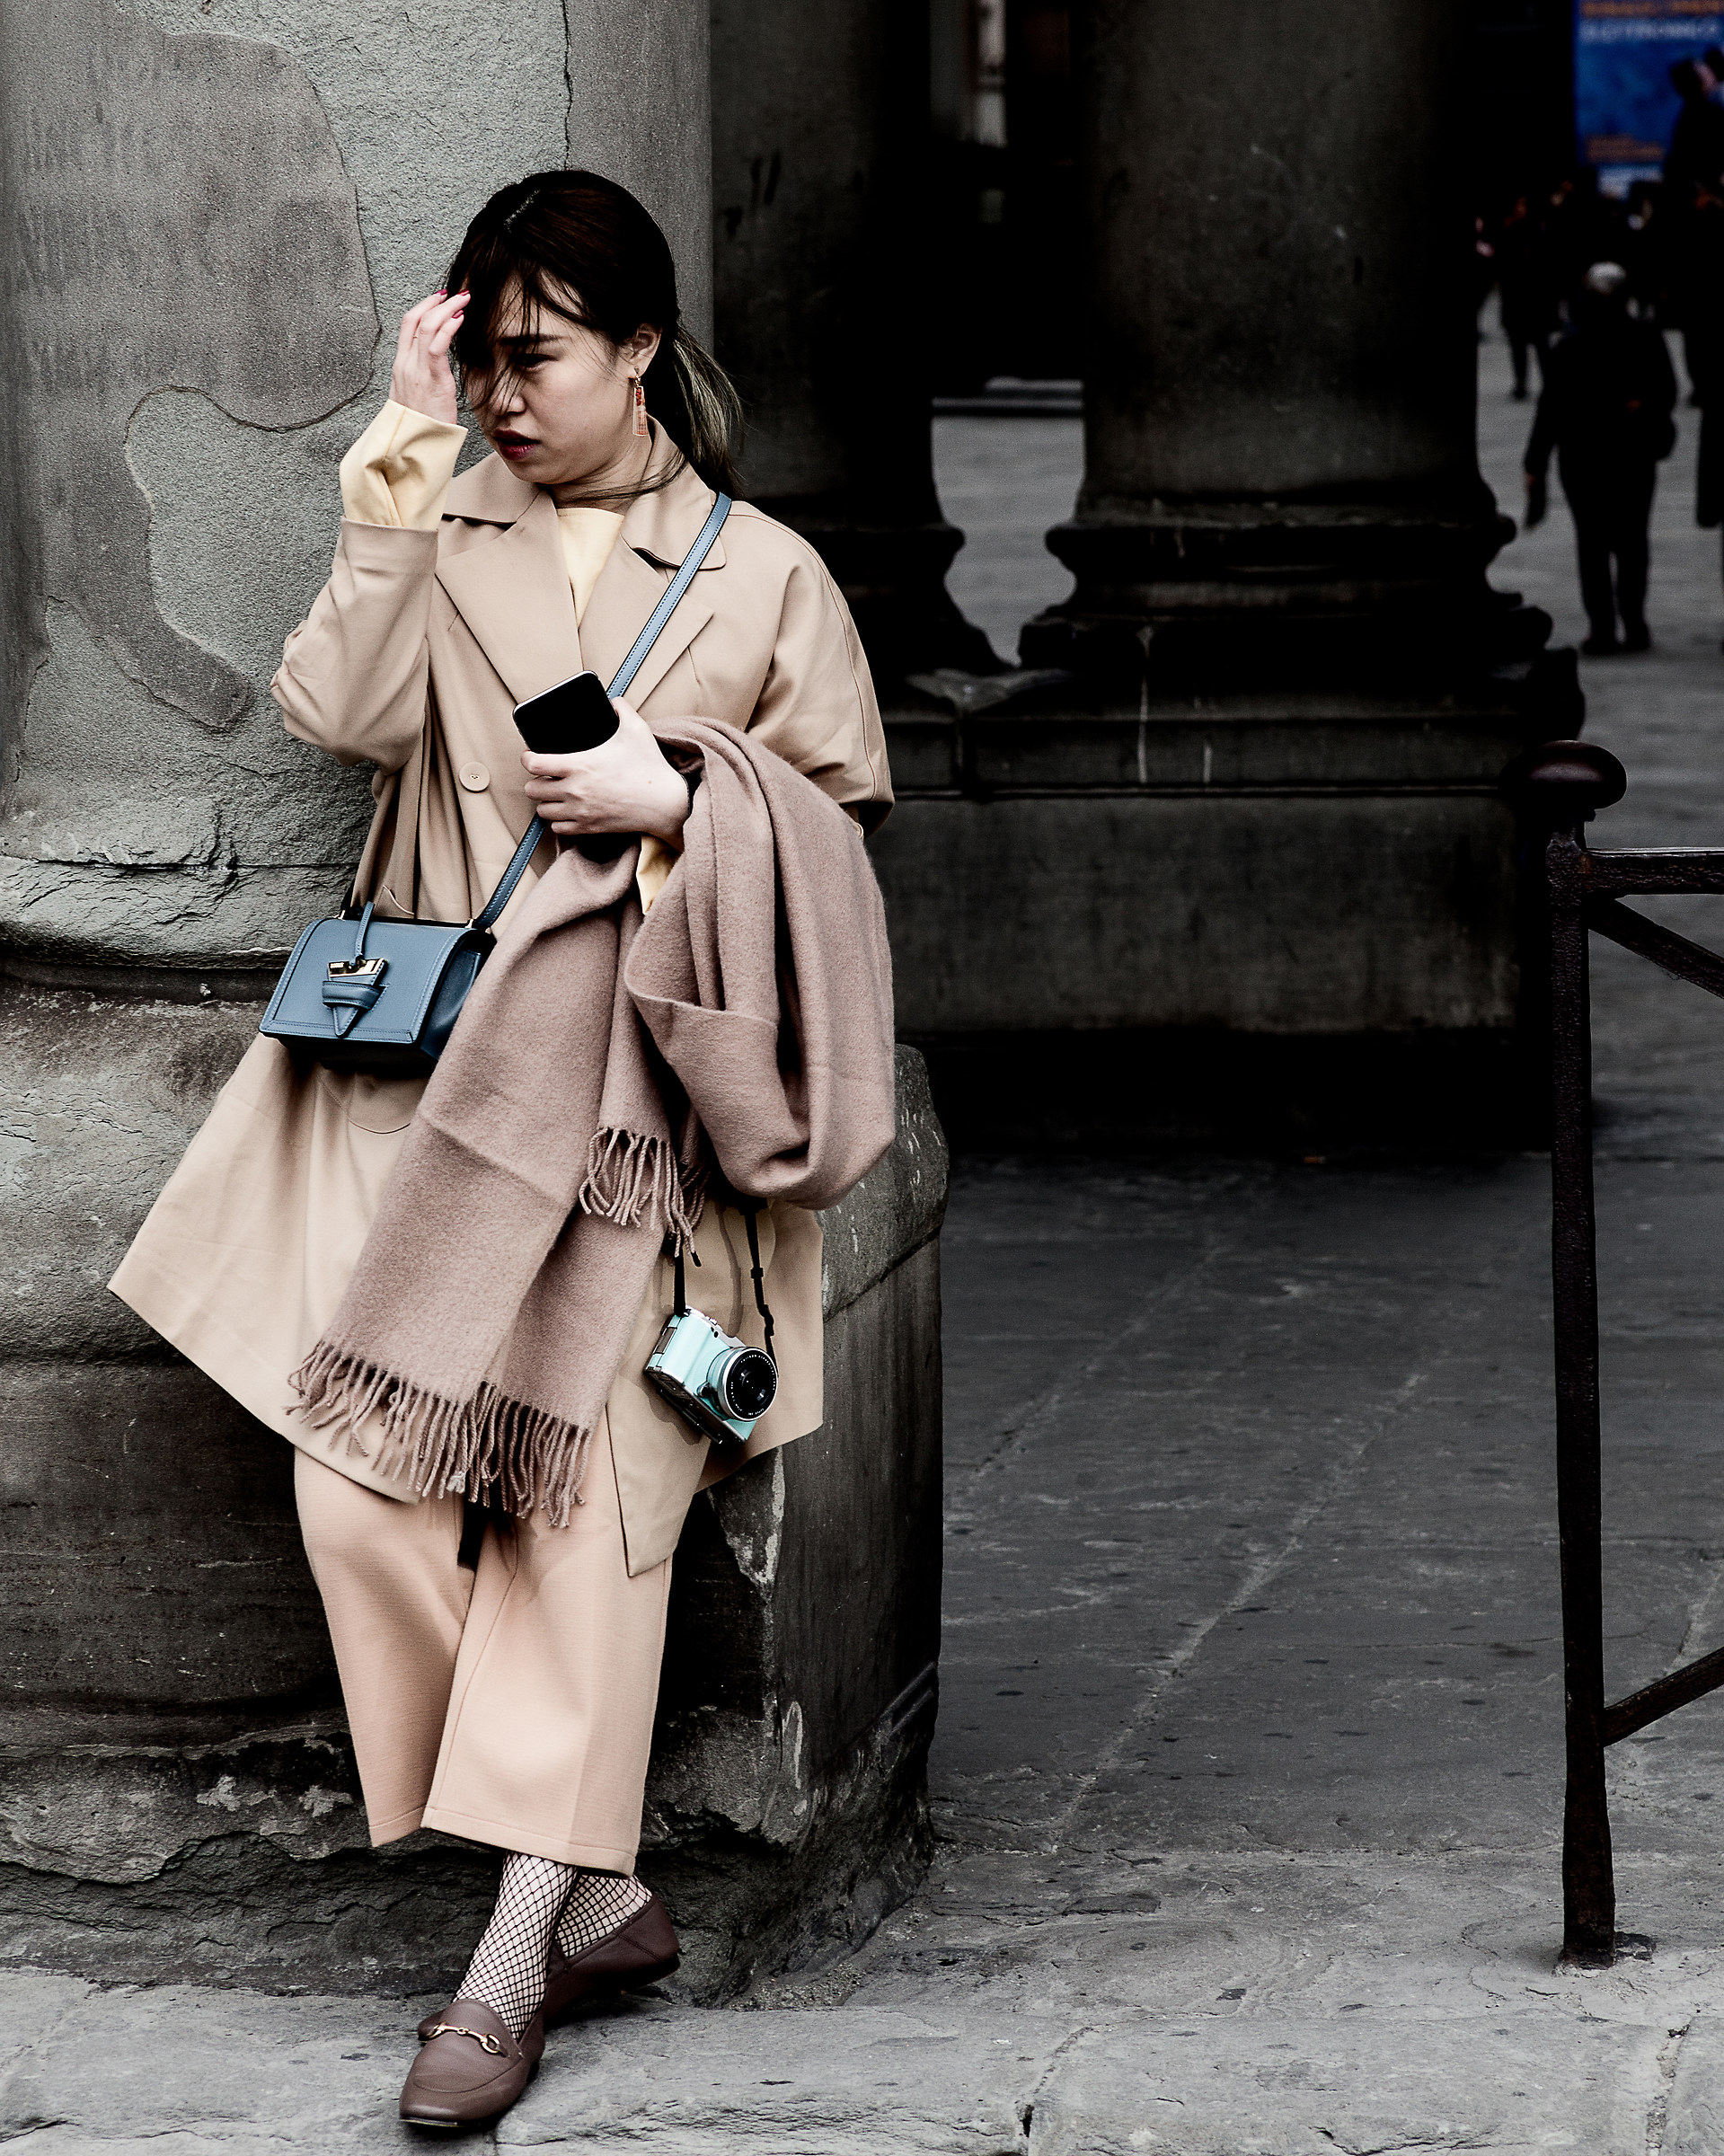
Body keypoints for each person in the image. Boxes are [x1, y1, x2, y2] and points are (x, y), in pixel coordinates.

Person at [109, 170, 897, 2129]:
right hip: (430, 1108)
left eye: (538, 357)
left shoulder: (762, 575)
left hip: (646, 1144)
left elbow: (841, 864)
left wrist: (683, 794)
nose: (510, 394)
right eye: (485, 355)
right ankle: (602, 1882)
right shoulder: (442, 508)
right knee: (353, 1490)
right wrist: (395, 452)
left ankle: (502, 1965)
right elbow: (337, 708)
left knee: (584, 1532)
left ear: (641, 351)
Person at [1523, 261, 1678, 655]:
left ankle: (1606, 625)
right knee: (1629, 542)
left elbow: (1550, 409)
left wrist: (1535, 462)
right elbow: (1666, 391)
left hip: (1587, 457)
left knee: (1594, 544)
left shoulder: (1571, 346)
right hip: (1627, 455)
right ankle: (1629, 620)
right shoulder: (1641, 338)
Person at [1496, 193, 1560, 399]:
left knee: (1532, 344)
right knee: (1528, 344)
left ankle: (1530, 382)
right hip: (1525, 297)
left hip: (1529, 297)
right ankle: (1529, 382)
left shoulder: (1533, 231)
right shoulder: (1527, 230)